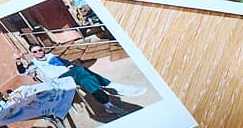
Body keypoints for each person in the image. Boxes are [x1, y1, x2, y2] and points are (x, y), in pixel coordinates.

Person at [13, 46, 146, 115]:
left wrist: (69, 65)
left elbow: (66, 62)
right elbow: (22, 72)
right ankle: (114, 87)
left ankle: (108, 105)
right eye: (35, 52)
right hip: (59, 81)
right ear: (32, 54)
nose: (38, 53)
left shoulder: (51, 56)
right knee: (81, 71)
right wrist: (18, 60)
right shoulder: (34, 63)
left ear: (43, 50)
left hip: (70, 74)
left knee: (85, 76)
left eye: (39, 50)